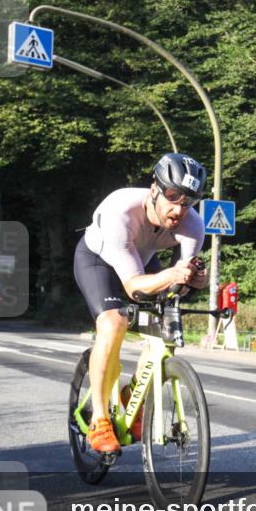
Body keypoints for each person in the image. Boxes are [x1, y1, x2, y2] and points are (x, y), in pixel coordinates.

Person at [73, 153, 210, 453]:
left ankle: (134, 393)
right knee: (114, 321)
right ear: (154, 190)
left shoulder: (193, 226)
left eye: (188, 201)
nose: (179, 209)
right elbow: (134, 288)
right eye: (172, 197)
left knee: (165, 324)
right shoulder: (120, 213)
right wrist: (172, 274)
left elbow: (177, 286)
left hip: (141, 259)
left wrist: (193, 281)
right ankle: (99, 419)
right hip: (98, 260)